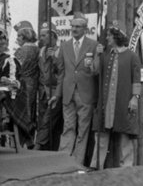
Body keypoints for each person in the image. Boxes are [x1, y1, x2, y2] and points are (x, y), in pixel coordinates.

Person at [49, 12, 99, 165]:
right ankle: (63, 163)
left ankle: (77, 163)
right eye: (73, 26)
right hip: (68, 93)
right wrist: (57, 95)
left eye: (78, 27)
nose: (74, 29)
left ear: (85, 28)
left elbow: (96, 71)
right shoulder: (65, 46)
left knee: (83, 131)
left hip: (86, 94)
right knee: (68, 128)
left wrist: (92, 66)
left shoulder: (94, 45)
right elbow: (61, 73)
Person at [90, 20, 141, 169]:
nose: (107, 38)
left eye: (110, 36)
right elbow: (95, 71)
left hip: (124, 100)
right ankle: (96, 165)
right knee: (101, 134)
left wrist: (134, 98)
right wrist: (97, 55)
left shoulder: (132, 56)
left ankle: (126, 167)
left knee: (125, 135)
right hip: (106, 102)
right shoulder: (105, 55)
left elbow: (136, 79)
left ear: (117, 36)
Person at [34, 22, 63, 151]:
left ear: (52, 36)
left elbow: (63, 72)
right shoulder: (41, 51)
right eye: (41, 35)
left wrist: (55, 59)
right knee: (42, 119)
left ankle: (38, 145)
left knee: (48, 119)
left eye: (44, 35)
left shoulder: (60, 51)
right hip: (43, 92)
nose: (41, 38)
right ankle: (44, 147)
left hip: (55, 91)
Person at [13, 20, 40, 142]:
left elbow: (15, 69)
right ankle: (31, 138)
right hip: (34, 83)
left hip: (23, 83)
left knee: (24, 112)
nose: (17, 38)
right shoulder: (37, 49)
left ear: (24, 36)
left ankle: (24, 140)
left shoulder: (21, 51)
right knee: (32, 111)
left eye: (19, 35)